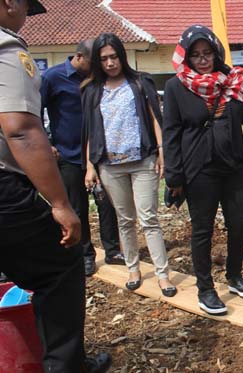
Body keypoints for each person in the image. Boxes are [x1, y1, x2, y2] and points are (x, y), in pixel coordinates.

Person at [0, 0, 111, 371]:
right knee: (61, 264)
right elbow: (21, 128)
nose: (24, 20)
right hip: (3, 189)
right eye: (24, 10)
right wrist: (60, 204)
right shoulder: (6, 48)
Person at [163, 25, 243, 315]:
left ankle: (234, 275)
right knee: (203, 229)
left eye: (207, 53)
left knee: (239, 222)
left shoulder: (234, 80)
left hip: (233, 165)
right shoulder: (176, 86)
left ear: (216, 53)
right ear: (187, 57)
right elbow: (171, 133)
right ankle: (205, 288)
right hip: (199, 168)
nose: (203, 59)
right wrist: (174, 176)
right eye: (196, 55)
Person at [82, 33, 176, 297]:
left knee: (149, 218)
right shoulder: (92, 91)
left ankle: (162, 274)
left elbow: (155, 118)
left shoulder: (139, 82)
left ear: (122, 56)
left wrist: (161, 152)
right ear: (97, 62)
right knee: (125, 220)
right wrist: (90, 166)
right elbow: (91, 131)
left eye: (114, 57)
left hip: (143, 160)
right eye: (104, 59)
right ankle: (133, 269)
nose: (110, 63)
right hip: (110, 165)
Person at [40, 38, 123, 277]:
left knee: (107, 204)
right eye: (95, 61)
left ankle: (113, 249)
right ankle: (86, 255)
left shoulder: (98, 79)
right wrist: (47, 142)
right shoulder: (53, 78)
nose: (101, 65)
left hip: (100, 153)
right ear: (79, 57)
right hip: (69, 155)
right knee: (77, 208)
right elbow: (37, 110)